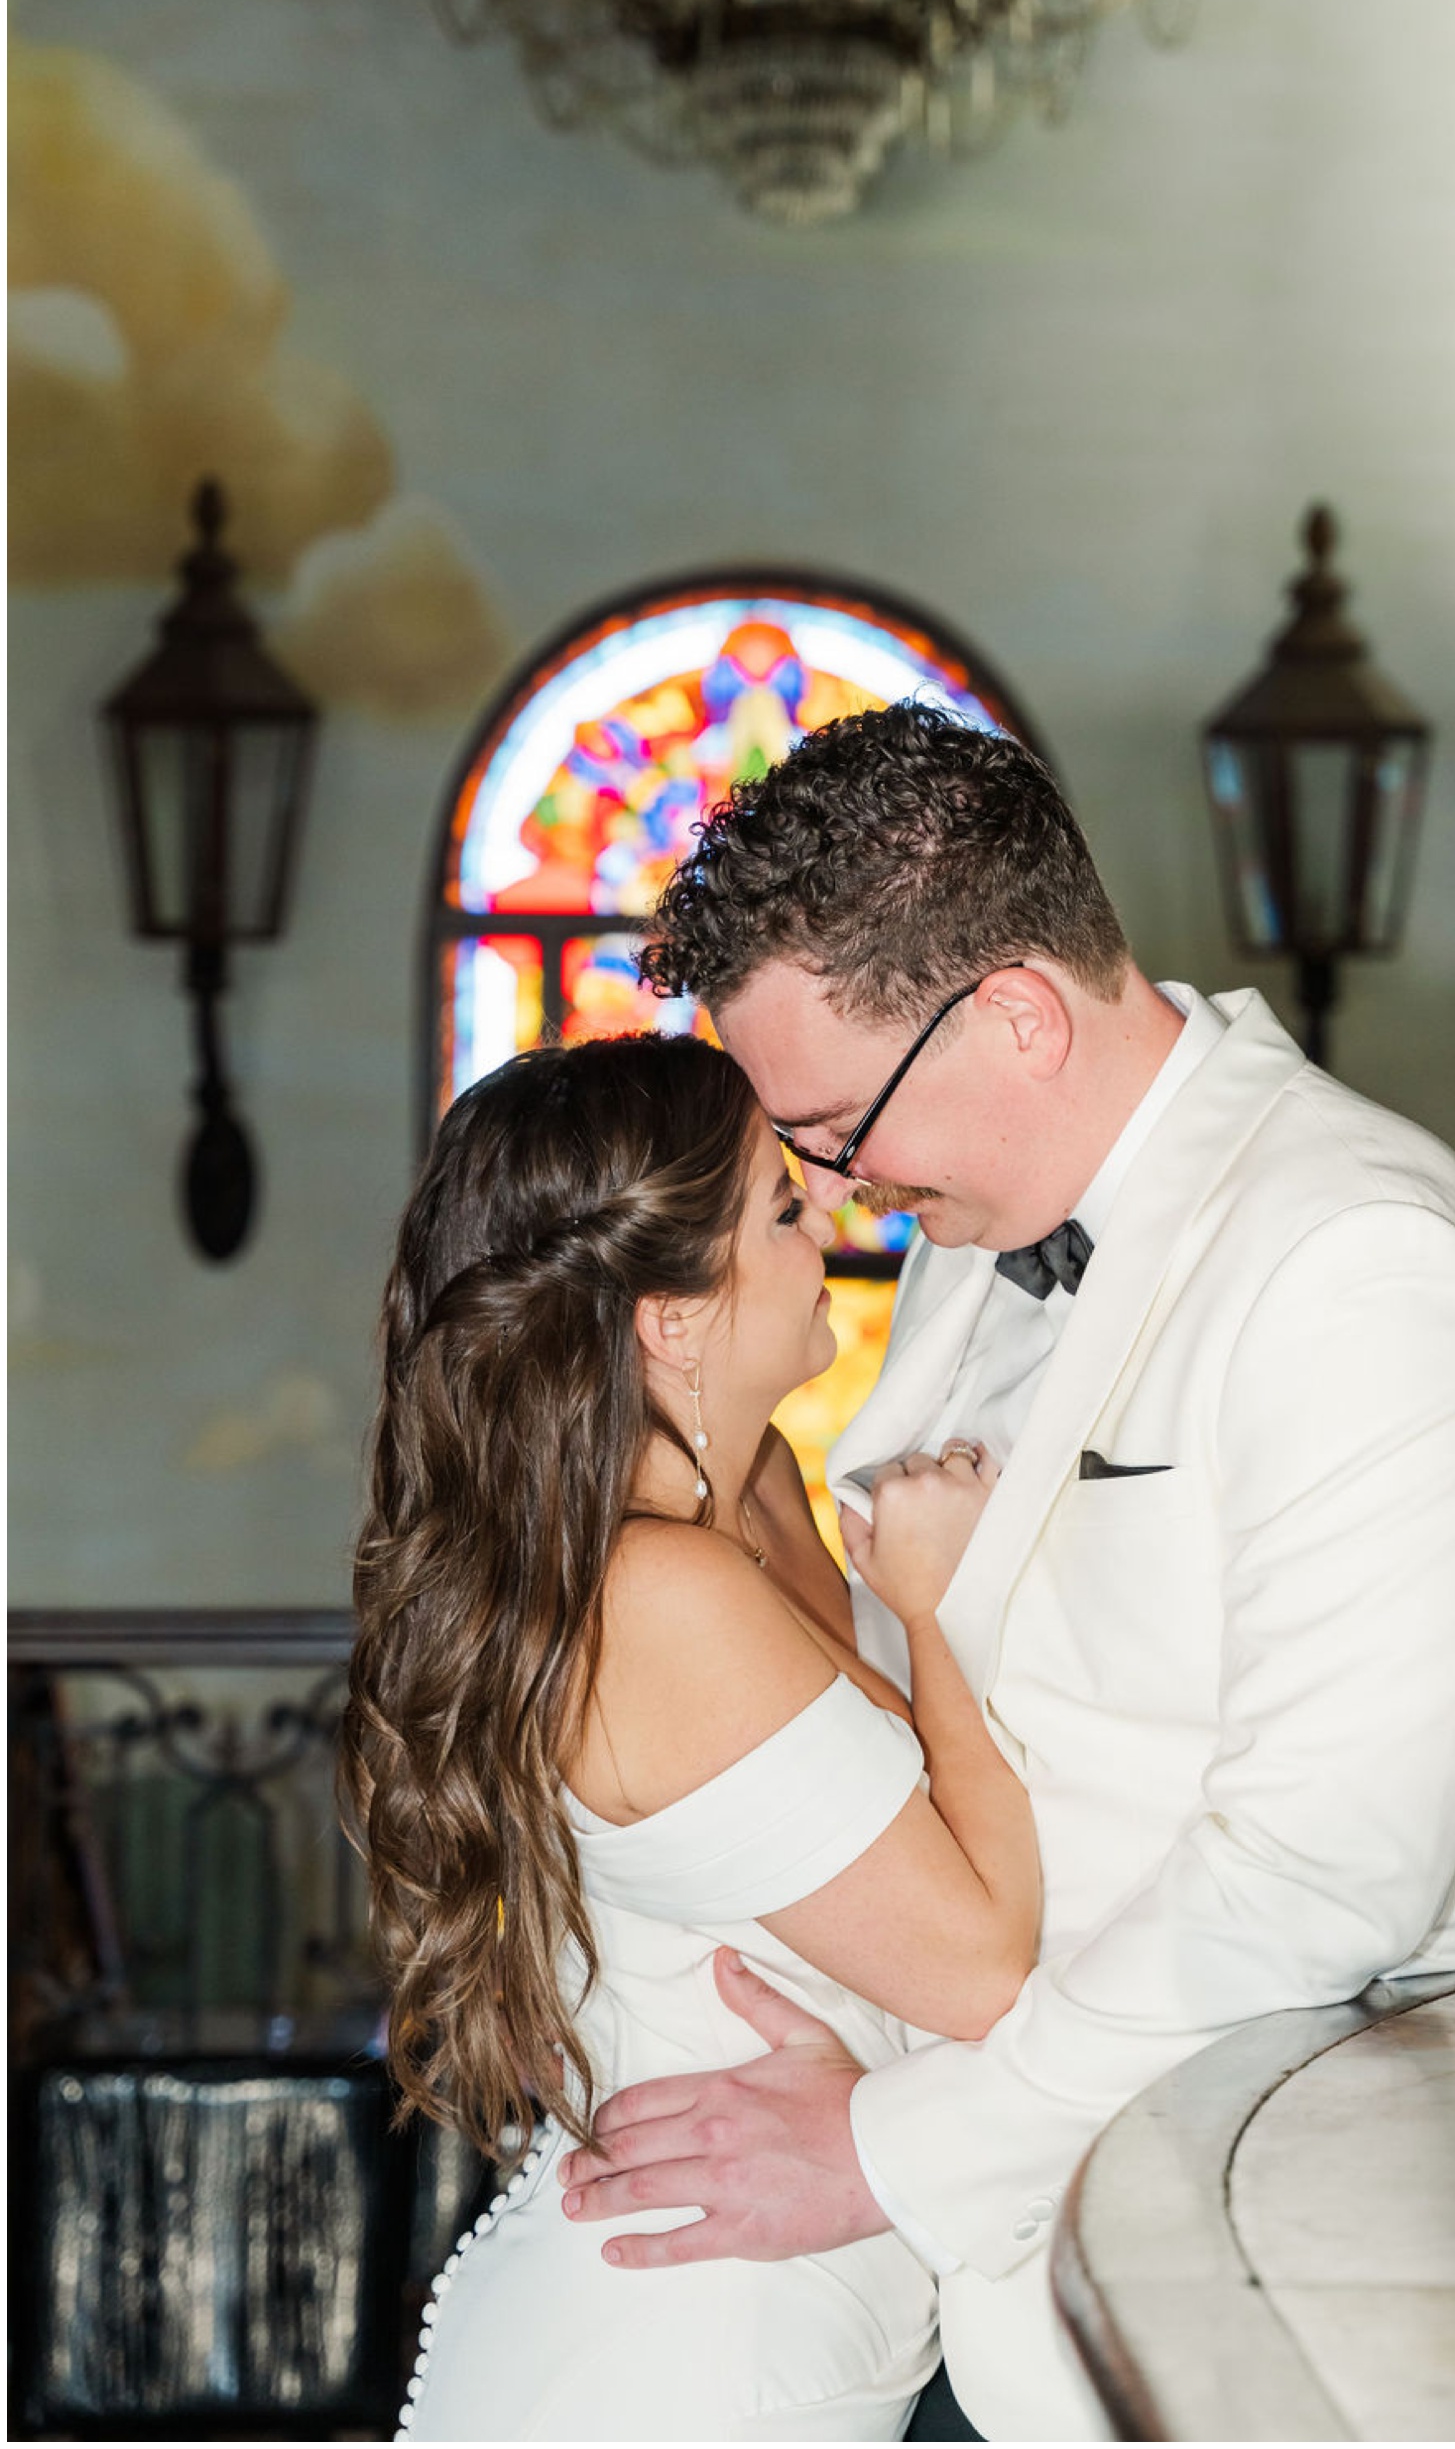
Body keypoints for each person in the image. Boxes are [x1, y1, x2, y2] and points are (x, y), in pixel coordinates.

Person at [558, 700, 1455, 2440]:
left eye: (835, 1127)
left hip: (1256, 2288)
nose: (834, 1188)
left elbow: (1325, 1882)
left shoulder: (1360, 1262)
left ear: (1017, 1014)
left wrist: (886, 2148)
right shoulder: (980, 1241)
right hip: (974, 2291)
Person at [340, 1032, 1045, 2440]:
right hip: (696, 2357)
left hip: (792, 2305)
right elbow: (983, 1965)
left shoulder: (757, 1490)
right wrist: (941, 1605)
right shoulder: (656, 1597)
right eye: (780, 1209)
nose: (827, 1225)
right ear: (669, 1317)